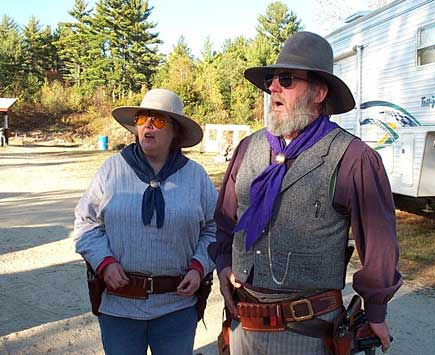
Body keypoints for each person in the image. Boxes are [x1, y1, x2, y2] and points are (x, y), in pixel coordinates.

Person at [209, 31, 402, 354]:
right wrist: (225, 262)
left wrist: (377, 312)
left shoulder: (353, 158)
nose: (272, 88)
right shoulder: (248, 148)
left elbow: (379, 242)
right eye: (272, 79)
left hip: (309, 332)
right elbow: (226, 220)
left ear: (318, 92)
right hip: (244, 324)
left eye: (286, 79)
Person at [74, 88, 217, 355]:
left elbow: (214, 228)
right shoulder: (112, 170)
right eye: (142, 119)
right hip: (120, 306)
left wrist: (199, 267)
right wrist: (104, 263)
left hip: (177, 307)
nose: (148, 125)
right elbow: (86, 223)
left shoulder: (196, 176)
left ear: (175, 132)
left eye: (158, 120)